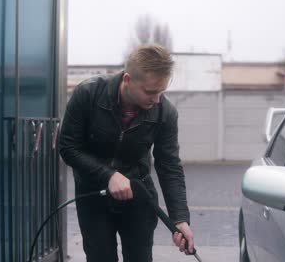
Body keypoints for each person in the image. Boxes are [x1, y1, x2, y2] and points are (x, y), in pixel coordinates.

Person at [58, 43, 194, 262]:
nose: (157, 99)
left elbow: (169, 166)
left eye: (161, 91)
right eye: (151, 91)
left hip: (139, 198)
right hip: (93, 196)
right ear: (128, 80)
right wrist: (109, 176)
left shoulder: (165, 113)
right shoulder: (88, 95)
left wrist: (180, 219)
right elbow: (68, 147)